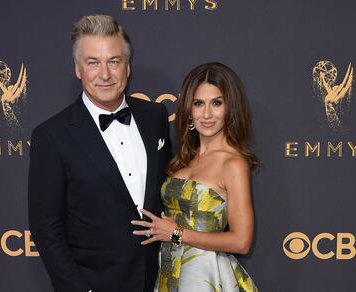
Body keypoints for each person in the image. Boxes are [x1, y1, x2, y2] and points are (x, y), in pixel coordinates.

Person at [28, 15, 171, 292]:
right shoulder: (51, 136)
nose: (104, 74)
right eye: (93, 62)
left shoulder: (155, 117)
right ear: (78, 69)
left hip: (159, 282)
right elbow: (47, 230)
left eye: (114, 61)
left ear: (127, 67)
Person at [132, 62, 259, 291]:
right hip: (170, 272)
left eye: (217, 103)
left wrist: (177, 233)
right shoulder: (183, 159)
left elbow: (241, 242)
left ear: (230, 108)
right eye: (199, 104)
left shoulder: (233, 163)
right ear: (189, 110)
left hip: (203, 276)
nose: (207, 114)